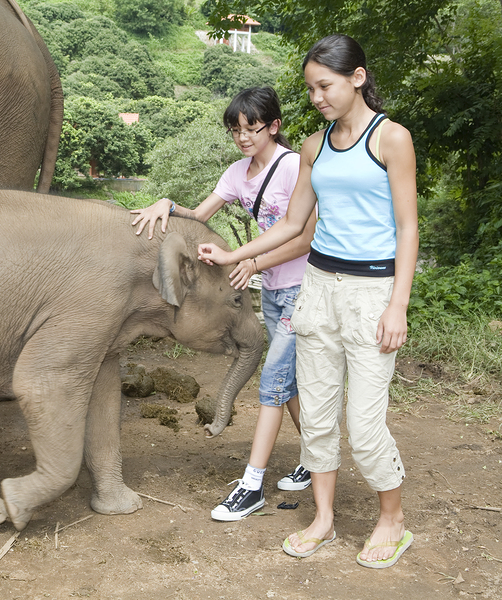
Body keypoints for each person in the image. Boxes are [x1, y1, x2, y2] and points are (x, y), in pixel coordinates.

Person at [198, 35, 418, 569]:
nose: (317, 97)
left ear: (357, 78)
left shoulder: (392, 139)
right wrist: (235, 256)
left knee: (364, 427)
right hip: (317, 290)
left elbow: (409, 227)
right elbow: (295, 225)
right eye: (311, 88)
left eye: (326, 85)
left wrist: (398, 305)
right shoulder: (314, 149)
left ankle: (392, 518)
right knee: (317, 417)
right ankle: (323, 518)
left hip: (372, 294)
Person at [131, 86, 317, 522]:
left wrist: (250, 261)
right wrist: (167, 204)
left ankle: (251, 486)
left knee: (272, 378)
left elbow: (306, 238)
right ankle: (316, 458)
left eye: (251, 128)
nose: (243, 138)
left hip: (304, 287)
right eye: (236, 130)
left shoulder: (294, 167)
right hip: (270, 290)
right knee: (288, 380)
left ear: (273, 126)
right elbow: (200, 215)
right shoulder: (237, 173)